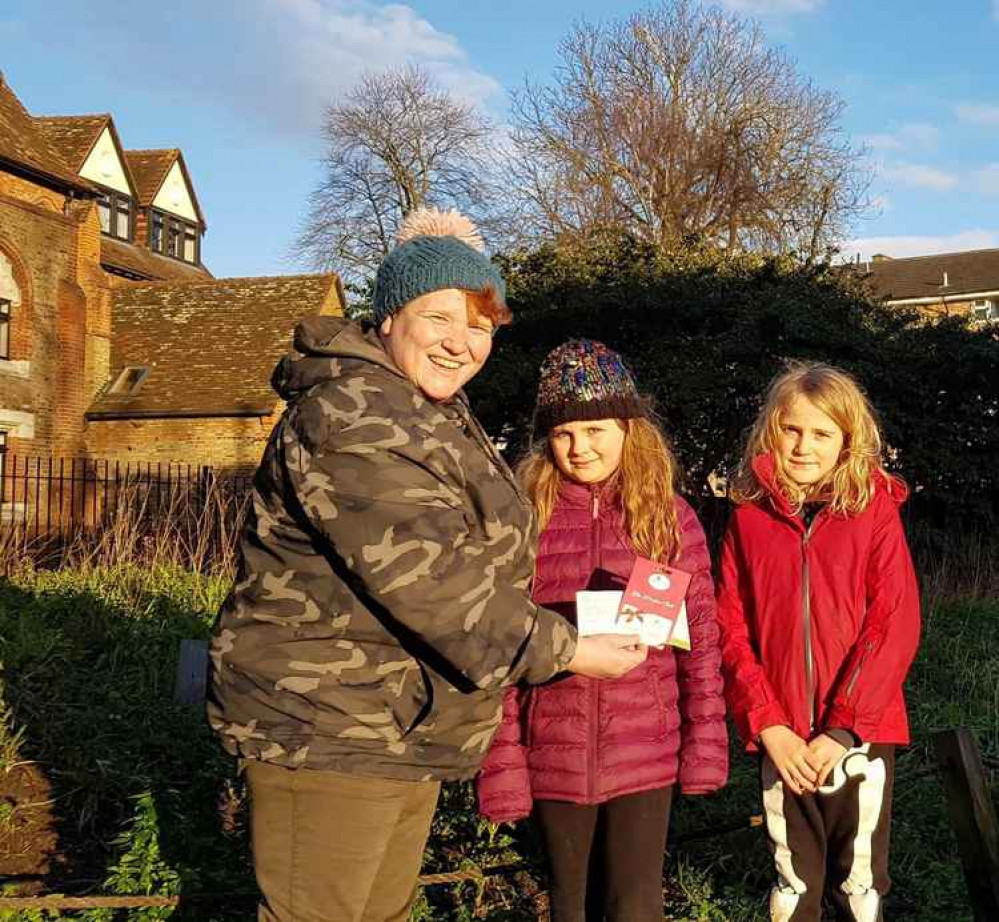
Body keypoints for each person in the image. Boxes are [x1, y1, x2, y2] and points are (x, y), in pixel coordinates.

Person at [206, 211, 646, 922]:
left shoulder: (425, 409)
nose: (459, 341)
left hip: (394, 719)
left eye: (478, 325)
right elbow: (433, 583)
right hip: (330, 722)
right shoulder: (355, 413)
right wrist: (567, 650)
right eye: (437, 315)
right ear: (388, 317)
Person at [477, 340, 729, 922]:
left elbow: (702, 644)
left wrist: (705, 747)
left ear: (627, 429)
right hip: (553, 757)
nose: (580, 447)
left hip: (647, 753)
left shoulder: (668, 516)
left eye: (595, 430)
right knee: (569, 904)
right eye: (564, 434)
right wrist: (504, 765)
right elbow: (498, 642)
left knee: (635, 905)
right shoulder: (523, 518)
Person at [716, 361, 922, 922]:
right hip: (781, 742)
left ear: (846, 441)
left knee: (858, 888)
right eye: (792, 430)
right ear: (771, 432)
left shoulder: (873, 511)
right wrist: (768, 724)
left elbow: (894, 621)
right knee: (793, 888)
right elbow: (729, 628)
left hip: (858, 740)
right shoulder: (747, 519)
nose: (804, 446)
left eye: (822, 433)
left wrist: (844, 725)